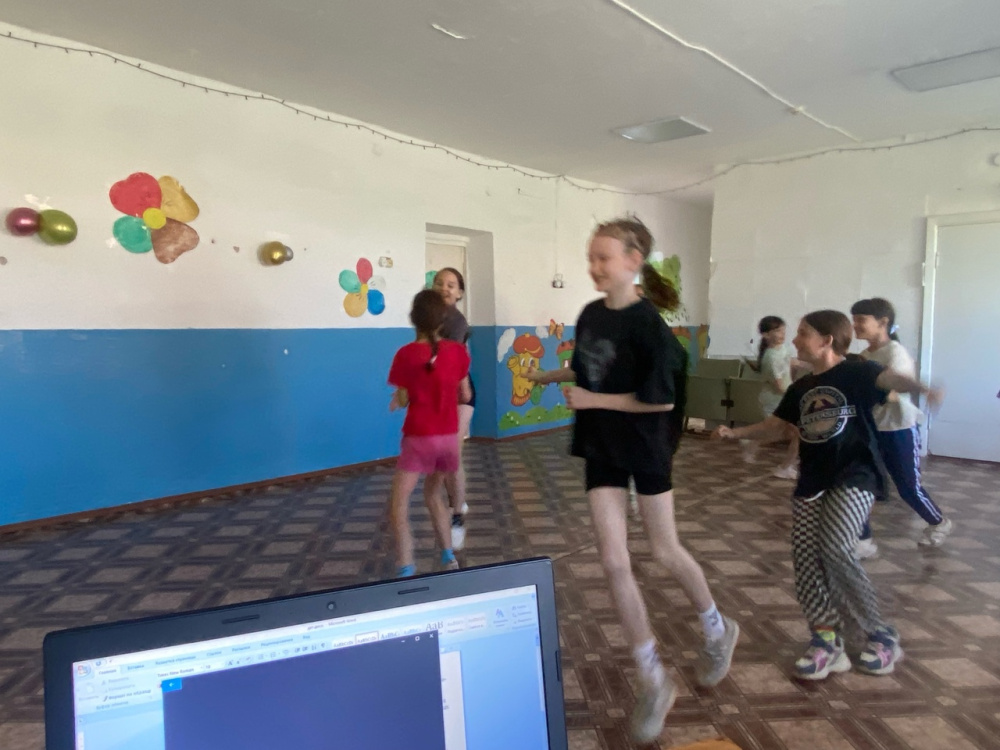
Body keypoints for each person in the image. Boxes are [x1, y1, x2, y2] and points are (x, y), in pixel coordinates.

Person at [528, 217, 738, 744]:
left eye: (603, 257)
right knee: (613, 560)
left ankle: (717, 627)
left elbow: (659, 401)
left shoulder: (650, 328)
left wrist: (592, 399)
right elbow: (588, 368)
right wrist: (548, 376)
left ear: (633, 260)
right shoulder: (591, 314)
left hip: (646, 447)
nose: (594, 267)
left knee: (664, 550)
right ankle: (652, 679)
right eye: (591, 257)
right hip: (601, 446)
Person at [713, 310, 944, 680]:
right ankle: (826, 640)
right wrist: (734, 434)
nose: (795, 339)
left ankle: (881, 634)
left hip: (856, 475)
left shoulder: (857, 372)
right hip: (812, 480)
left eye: (803, 333)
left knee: (836, 546)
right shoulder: (801, 387)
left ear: (827, 340)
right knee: (805, 558)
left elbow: (890, 378)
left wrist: (923, 387)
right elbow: (777, 426)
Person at [850, 297, 952, 557]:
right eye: (854, 320)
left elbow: (895, 391)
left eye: (861, 320)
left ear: (882, 322)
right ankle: (862, 540)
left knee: (908, 487)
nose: (855, 325)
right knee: (859, 483)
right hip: (872, 430)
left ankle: (939, 522)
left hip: (898, 429)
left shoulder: (895, 353)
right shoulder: (865, 355)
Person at [387, 290, 471, 578]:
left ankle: (406, 565)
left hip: (419, 438)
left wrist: (399, 399)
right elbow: (465, 394)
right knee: (434, 495)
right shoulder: (458, 352)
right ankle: (449, 556)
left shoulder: (405, 354)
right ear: (442, 320)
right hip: (448, 440)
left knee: (399, 503)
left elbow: (403, 397)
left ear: (414, 319)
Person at [432, 268, 475, 550]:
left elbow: (452, 362)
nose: (444, 288)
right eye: (439, 283)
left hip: (460, 392)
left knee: (451, 453)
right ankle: (455, 501)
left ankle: (457, 515)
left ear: (459, 293)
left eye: (451, 285)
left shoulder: (456, 322)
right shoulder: (428, 319)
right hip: (438, 393)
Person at [740, 316, 800, 478]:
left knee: (788, 434)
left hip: (785, 397)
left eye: (783, 330)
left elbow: (790, 362)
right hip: (774, 400)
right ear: (766, 335)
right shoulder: (770, 358)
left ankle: (751, 441)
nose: (782, 334)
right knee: (797, 433)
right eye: (777, 331)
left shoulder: (783, 348)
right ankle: (785, 467)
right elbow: (778, 386)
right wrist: (797, 394)